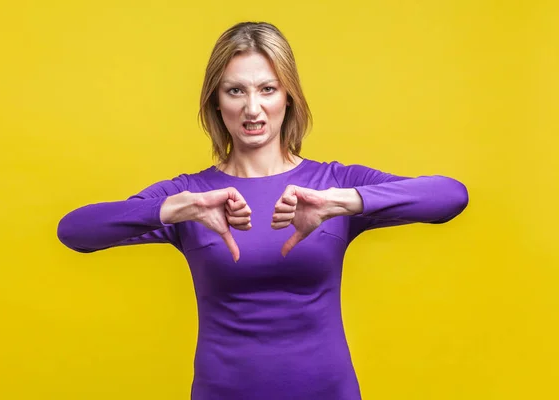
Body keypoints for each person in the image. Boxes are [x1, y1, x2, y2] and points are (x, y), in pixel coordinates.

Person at [57, 21, 469, 400]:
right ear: (216, 102)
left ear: (288, 97)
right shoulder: (191, 197)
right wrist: (171, 208)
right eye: (236, 90)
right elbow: (74, 232)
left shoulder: (332, 184)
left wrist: (339, 203)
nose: (252, 109)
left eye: (267, 89)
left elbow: (450, 196)